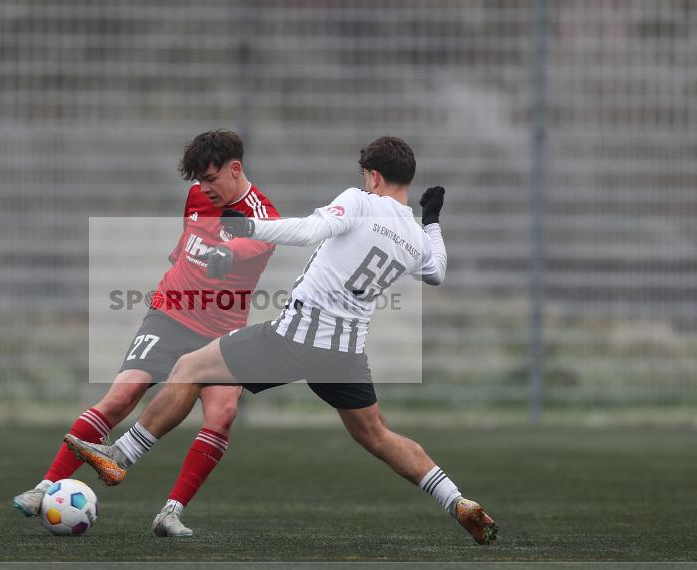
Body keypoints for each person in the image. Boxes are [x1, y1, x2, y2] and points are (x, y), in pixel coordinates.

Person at [65, 136, 498, 544]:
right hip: (345, 355)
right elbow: (437, 271)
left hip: (296, 337)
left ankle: (121, 456)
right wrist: (434, 219)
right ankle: (457, 500)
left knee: (190, 368)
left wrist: (249, 227)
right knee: (379, 436)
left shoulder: (359, 201)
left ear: (373, 177)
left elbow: (309, 231)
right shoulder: (415, 236)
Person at [14, 129, 280, 537]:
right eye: (199, 181)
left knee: (222, 415)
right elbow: (189, 237)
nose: (203, 188)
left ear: (235, 169)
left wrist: (226, 255)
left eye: (211, 179)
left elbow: (250, 246)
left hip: (221, 334)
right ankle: (44, 487)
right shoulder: (197, 195)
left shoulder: (265, 218)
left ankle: (170, 512)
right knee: (122, 394)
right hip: (170, 314)